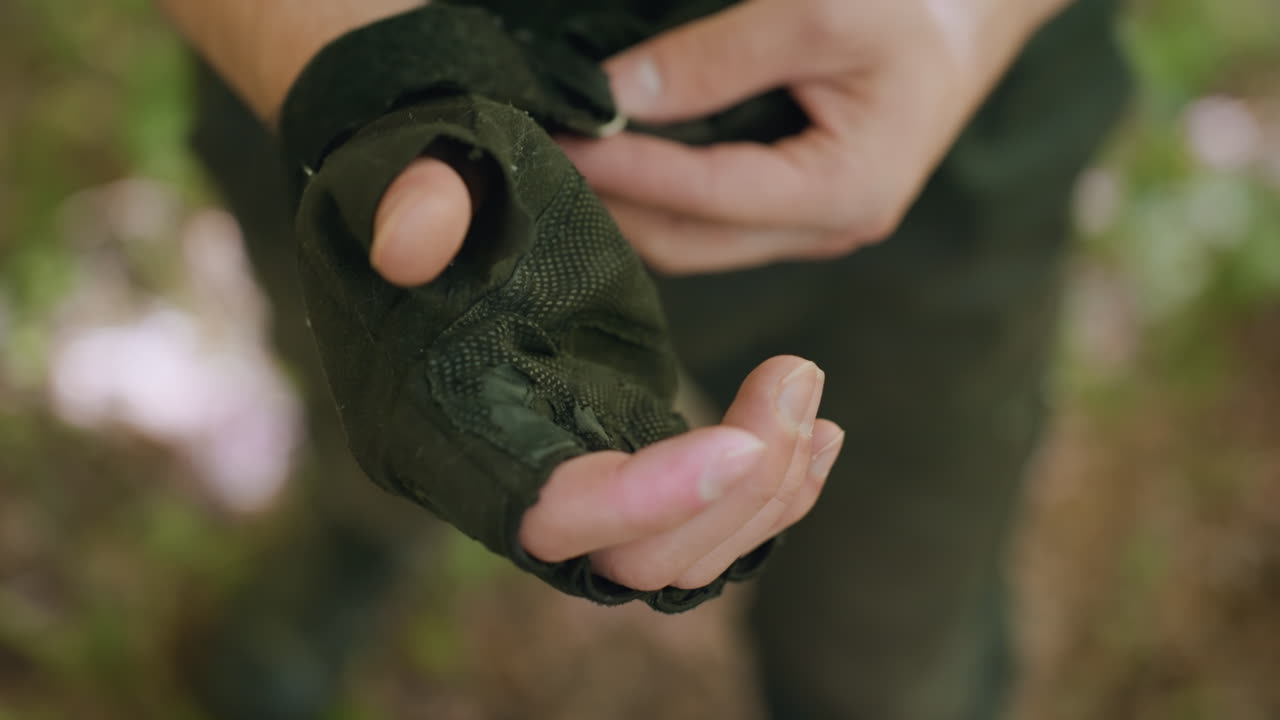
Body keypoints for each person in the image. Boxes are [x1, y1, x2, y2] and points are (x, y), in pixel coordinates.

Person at [164, 0, 1132, 717]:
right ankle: (359, 539)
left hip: (940, 160)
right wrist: (371, 76)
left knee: (888, 648)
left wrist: (961, 21)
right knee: (390, 416)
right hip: (367, 100)